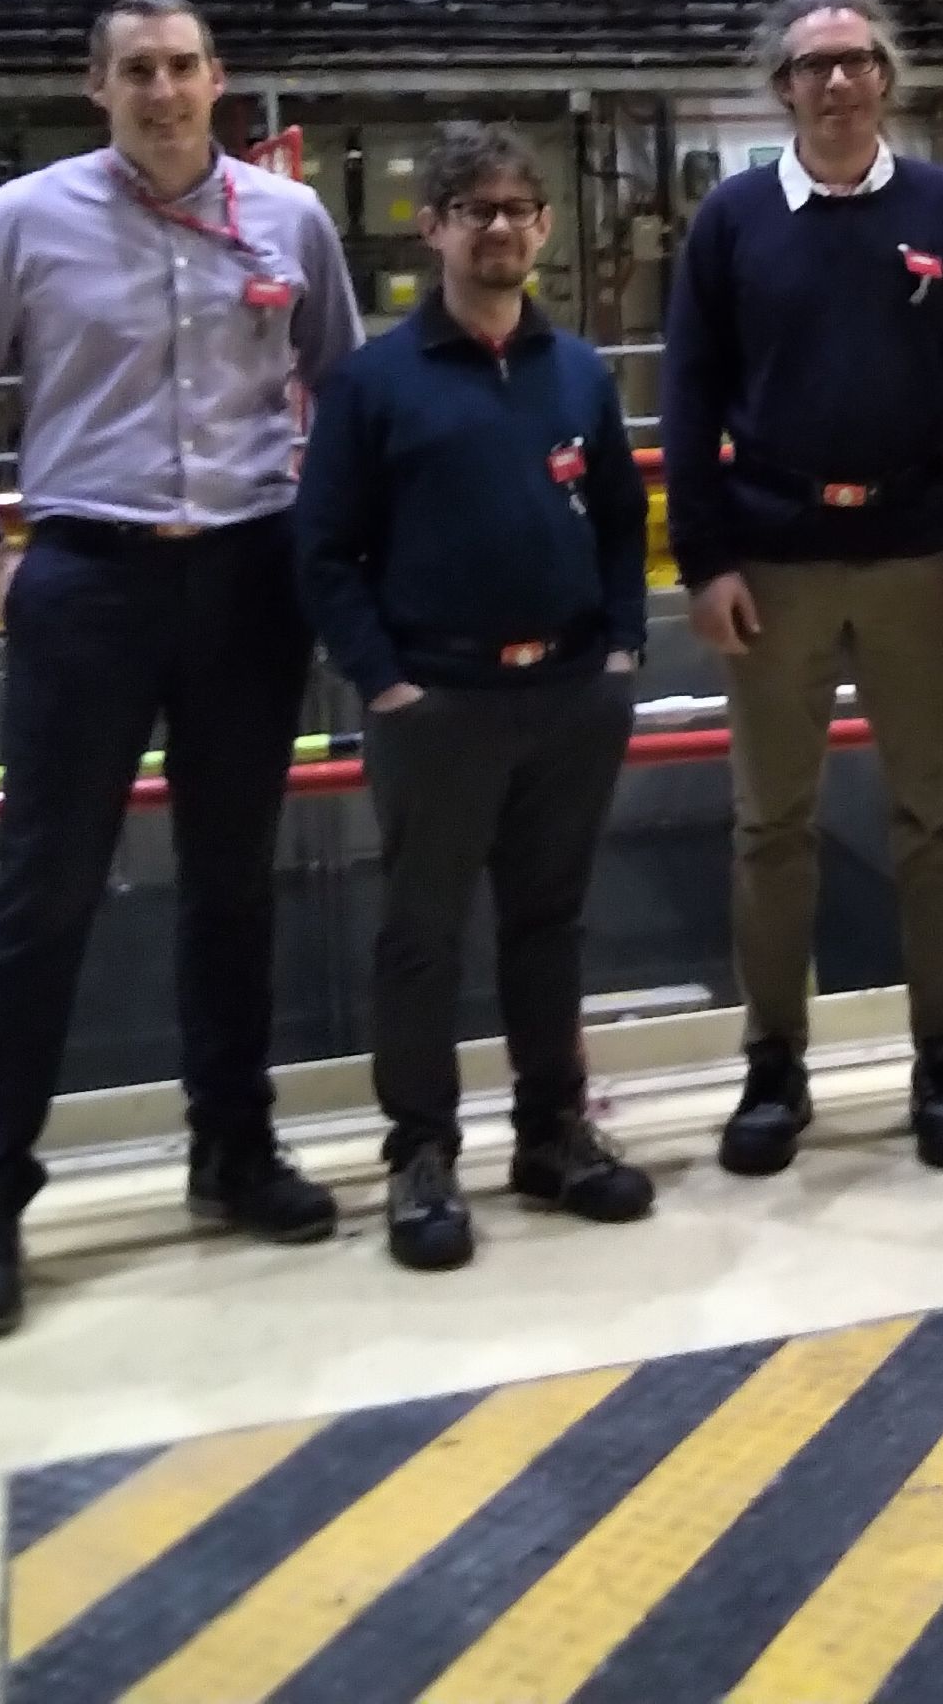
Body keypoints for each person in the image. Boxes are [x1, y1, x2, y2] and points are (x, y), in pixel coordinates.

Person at [0, 0, 364, 1344]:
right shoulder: (24, 220)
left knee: (233, 883)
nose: (162, 91)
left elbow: (340, 382)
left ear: (219, 79)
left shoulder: (291, 220)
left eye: (183, 67)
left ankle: (233, 1150)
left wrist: (320, 537)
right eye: (135, 71)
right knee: (42, 894)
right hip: (86, 580)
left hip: (245, 576)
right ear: (94, 88)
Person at [659, 0, 943, 1175]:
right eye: (811, 66)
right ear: (782, 88)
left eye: (855, 61)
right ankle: (774, 1070)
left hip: (921, 557)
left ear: (884, 77)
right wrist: (705, 558)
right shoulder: (731, 223)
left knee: (937, 821)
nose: (834, 82)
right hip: (775, 562)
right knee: (772, 826)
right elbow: (690, 397)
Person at [293, 124, 656, 1273]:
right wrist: (384, 681)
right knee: (422, 935)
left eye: (517, 208)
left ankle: (552, 1134)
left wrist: (621, 654)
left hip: (567, 693)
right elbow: (325, 550)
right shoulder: (374, 383)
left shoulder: (579, 373)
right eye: (473, 208)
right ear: (433, 226)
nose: (498, 227)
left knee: (549, 924)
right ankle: (421, 1155)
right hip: (435, 699)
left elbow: (619, 519)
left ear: (543, 226)